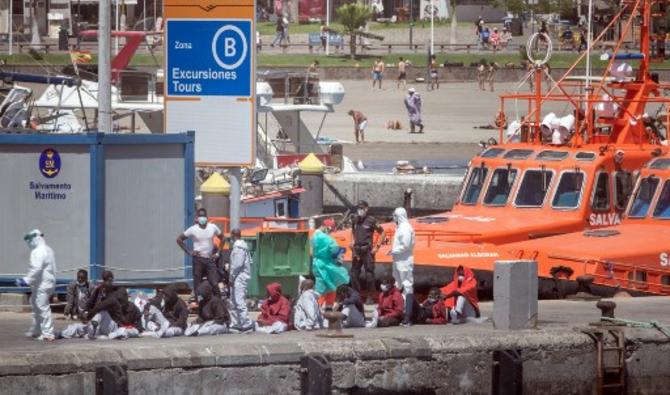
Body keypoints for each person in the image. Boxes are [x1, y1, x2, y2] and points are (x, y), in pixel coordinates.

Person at [16, 229, 56, 341]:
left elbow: (36, 268)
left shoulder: (38, 251)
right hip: (46, 283)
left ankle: (48, 333)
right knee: (35, 305)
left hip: (42, 284)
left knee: (42, 308)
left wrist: (26, 280)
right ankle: (37, 330)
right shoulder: (48, 249)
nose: (29, 243)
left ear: (36, 238)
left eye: (30, 240)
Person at [177, 208, 224, 298]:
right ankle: (199, 302)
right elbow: (179, 239)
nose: (202, 218)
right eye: (200, 216)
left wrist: (217, 253)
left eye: (204, 216)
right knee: (197, 283)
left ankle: (218, 301)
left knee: (214, 282)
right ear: (197, 218)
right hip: (198, 259)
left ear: (207, 217)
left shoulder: (213, 227)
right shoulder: (193, 229)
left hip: (210, 259)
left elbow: (223, 238)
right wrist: (189, 251)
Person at [350, 200, 385, 304]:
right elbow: (352, 231)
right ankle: (356, 295)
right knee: (353, 274)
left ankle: (370, 296)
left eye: (362, 208)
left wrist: (377, 247)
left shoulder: (371, 220)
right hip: (356, 250)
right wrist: (352, 241)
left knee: (369, 274)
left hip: (367, 250)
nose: (360, 210)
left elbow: (382, 233)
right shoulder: (354, 219)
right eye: (358, 208)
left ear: (366, 209)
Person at [311, 218, 350, 305]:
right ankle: (326, 308)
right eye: (330, 229)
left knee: (324, 286)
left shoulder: (314, 235)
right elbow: (335, 249)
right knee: (328, 287)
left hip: (317, 264)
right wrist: (340, 256)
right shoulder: (326, 238)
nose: (331, 231)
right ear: (325, 226)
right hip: (326, 265)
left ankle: (320, 307)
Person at [389, 207, 415, 326]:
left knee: (407, 285)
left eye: (395, 215)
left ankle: (407, 314)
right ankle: (399, 310)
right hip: (398, 260)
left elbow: (405, 245)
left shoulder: (405, 228)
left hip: (404, 260)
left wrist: (393, 251)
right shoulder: (399, 227)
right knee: (398, 285)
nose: (393, 218)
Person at [228, 228, 254, 331]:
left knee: (239, 301)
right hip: (239, 277)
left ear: (233, 235)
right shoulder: (242, 246)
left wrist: (231, 277)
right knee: (234, 301)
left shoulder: (239, 247)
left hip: (239, 277)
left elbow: (237, 265)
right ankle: (236, 323)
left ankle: (246, 324)